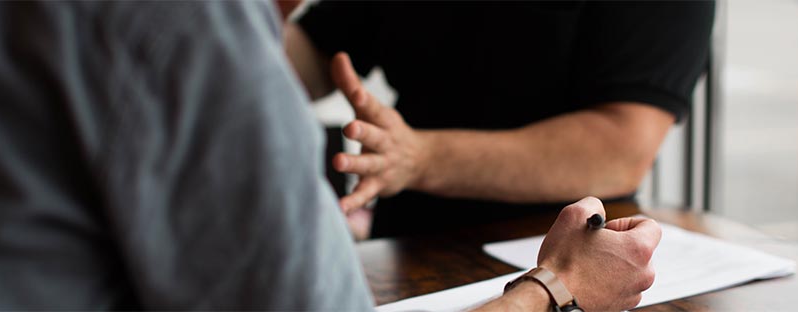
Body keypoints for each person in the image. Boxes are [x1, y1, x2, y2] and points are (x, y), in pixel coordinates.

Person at [0, 1, 660, 311]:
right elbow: (308, 48)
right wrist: (558, 288)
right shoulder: (191, 32)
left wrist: (418, 155)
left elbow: (624, 141)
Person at [283, 1, 716, 238]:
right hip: (408, 240)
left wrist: (418, 158)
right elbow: (318, 50)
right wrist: (236, 31)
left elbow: (620, 147)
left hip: (564, 251)